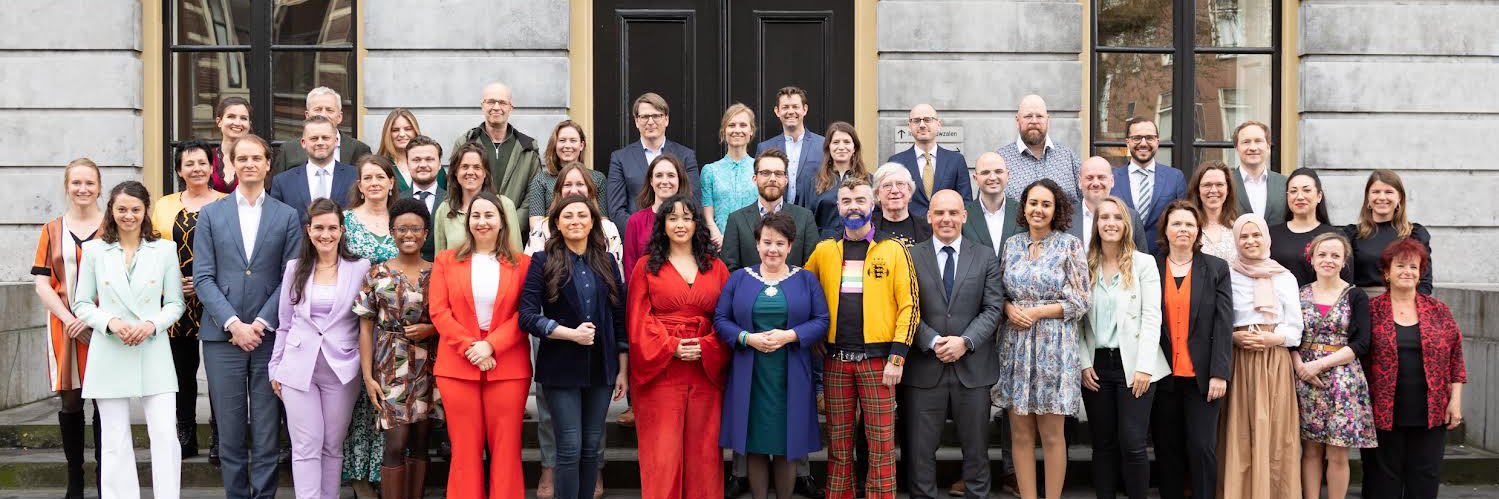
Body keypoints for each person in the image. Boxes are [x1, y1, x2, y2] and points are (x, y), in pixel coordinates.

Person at [193, 134, 302, 499]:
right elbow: (203, 277)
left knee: (268, 429)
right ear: (233, 165)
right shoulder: (211, 214)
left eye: (257, 157)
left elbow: (291, 276)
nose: (250, 163)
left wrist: (258, 323)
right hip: (221, 337)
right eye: (243, 158)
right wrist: (233, 324)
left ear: (269, 164)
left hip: (268, 336)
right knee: (230, 427)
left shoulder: (287, 216)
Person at [803, 176, 918, 499]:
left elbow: (910, 305)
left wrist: (897, 357)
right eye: (847, 202)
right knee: (838, 443)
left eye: (860, 201)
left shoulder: (892, 250)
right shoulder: (824, 252)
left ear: (873, 205)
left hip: (880, 363)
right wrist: (814, 332)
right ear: (838, 207)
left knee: (881, 444)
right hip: (836, 362)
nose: (854, 207)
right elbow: (802, 293)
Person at [72, 180, 186, 499]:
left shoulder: (164, 249)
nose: (129, 215)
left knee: (165, 434)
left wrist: (151, 324)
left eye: (135, 209)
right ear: (111, 209)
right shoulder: (93, 250)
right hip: (110, 349)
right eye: (122, 209)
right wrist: (111, 322)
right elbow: (82, 303)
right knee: (114, 439)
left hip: (153, 348)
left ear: (145, 211)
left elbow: (176, 303)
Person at [520, 195, 630, 499]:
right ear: (557, 223)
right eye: (568, 216)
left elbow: (619, 318)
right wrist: (568, 333)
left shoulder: (607, 261)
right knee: (568, 446)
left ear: (593, 221)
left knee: (591, 446)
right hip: (560, 366)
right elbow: (527, 316)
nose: (576, 221)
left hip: (602, 366)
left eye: (583, 215)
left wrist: (623, 369)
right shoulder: (542, 261)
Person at [716, 212, 830, 499]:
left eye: (780, 243)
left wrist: (790, 335)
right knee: (754, 442)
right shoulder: (739, 279)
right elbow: (720, 319)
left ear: (790, 246)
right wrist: (747, 338)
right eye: (767, 242)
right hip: (750, 373)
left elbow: (822, 320)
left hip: (790, 372)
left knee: (787, 444)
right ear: (757, 244)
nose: (773, 249)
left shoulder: (806, 279)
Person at [429, 191, 533, 498]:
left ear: (503, 222)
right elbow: (439, 310)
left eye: (490, 215)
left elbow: (524, 313)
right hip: (457, 367)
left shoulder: (523, 264)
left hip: (508, 366)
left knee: (506, 449)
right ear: (467, 221)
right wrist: (471, 347)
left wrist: (492, 346)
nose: (482, 222)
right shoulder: (445, 260)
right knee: (463, 450)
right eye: (476, 215)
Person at [626, 195, 731, 499]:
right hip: (661, 369)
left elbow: (726, 317)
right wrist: (671, 346)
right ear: (663, 225)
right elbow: (637, 318)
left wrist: (708, 346)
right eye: (672, 218)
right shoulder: (646, 266)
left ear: (697, 223)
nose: (680, 224)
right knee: (663, 454)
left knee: (705, 454)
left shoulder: (716, 267)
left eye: (686, 218)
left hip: (705, 368)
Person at [267, 198, 371, 499]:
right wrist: (276, 366)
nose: (326, 235)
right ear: (308, 231)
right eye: (319, 228)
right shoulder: (295, 268)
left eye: (332, 228)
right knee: (305, 445)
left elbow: (367, 321)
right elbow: (284, 322)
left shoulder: (360, 268)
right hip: (298, 368)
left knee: (331, 445)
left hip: (342, 368)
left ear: (341, 231)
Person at [904, 190, 1004, 499]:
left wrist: (966, 341)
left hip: (972, 368)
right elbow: (905, 306)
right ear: (929, 217)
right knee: (920, 453)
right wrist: (932, 340)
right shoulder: (910, 255)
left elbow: (993, 308)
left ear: (964, 216)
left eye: (953, 212)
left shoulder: (985, 255)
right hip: (924, 368)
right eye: (939, 213)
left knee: (976, 451)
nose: (946, 219)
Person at [997, 179, 1090, 499]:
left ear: (1056, 210)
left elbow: (1081, 301)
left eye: (1045, 204)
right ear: (1023, 207)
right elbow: (999, 294)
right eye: (1033, 203)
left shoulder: (1070, 245)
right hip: (1017, 347)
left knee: (1051, 434)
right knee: (1020, 433)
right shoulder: (1011, 245)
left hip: (1054, 346)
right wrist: (1009, 309)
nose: (1038, 209)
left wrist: (1038, 313)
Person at [1078, 196, 1170, 499]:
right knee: (1103, 443)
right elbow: (1076, 320)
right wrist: (1082, 362)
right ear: (1096, 224)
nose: (1111, 223)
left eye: (1117, 218)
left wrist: (1144, 367)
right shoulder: (1084, 263)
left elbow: (1152, 316)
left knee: (1132, 442)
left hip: (1136, 365)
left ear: (1126, 224)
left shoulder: (1144, 263)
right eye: (1104, 218)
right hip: (1097, 365)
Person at [1361, 238, 1466, 499]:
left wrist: (1455, 402)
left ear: (1420, 274)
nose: (1407, 272)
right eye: (1400, 266)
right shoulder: (1370, 310)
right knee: (1382, 481)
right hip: (1381, 411)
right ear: (1386, 272)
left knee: (1424, 479)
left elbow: (1456, 358)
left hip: (1431, 411)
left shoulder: (1439, 310)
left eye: (1413, 267)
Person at [354, 198, 441, 499]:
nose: (409, 234)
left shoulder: (438, 272)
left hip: (430, 366)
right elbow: (365, 326)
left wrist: (432, 328)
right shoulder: (376, 274)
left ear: (426, 234)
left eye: (415, 228)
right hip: (390, 365)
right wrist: (368, 375)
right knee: (395, 443)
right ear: (392, 232)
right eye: (402, 228)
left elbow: (452, 317)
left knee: (420, 443)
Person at [34, 158, 107, 499]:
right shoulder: (51, 229)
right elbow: (42, 283)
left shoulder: (113, 225)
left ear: (99, 187)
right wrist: (69, 318)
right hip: (66, 328)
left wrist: (98, 318)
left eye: (89, 183)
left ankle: (105, 475)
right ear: (67, 186)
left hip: (105, 327)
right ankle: (75, 478)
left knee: (107, 402)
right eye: (76, 183)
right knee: (71, 402)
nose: (83, 189)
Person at [1150, 200, 1233, 499]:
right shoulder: (1150, 266)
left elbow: (1224, 323)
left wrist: (1220, 373)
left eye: (1189, 224)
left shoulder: (1216, 268)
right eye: (1177, 224)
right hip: (1162, 377)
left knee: (1201, 448)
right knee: (1167, 451)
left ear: (1198, 230)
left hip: (1203, 378)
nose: (1183, 229)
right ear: (1166, 229)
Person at [1220, 213, 1304, 498]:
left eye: (1256, 235)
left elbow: (1296, 328)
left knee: (1275, 433)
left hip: (1274, 362)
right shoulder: (1226, 274)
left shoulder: (1285, 277)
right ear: (1236, 241)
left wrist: (1272, 338)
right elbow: (1218, 321)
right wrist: (1234, 337)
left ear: (1267, 238)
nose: (1250, 240)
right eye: (1244, 236)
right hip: (1238, 360)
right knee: (1239, 431)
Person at [151, 141, 227, 459]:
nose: (196, 168)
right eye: (189, 164)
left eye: (202, 162)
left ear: (212, 167)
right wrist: (170, 285)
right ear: (179, 170)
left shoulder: (228, 203)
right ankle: (185, 434)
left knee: (219, 373)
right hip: (175, 300)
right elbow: (152, 252)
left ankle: (221, 436)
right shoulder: (164, 206)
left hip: (217, 299)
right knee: (182, 372)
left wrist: (206, 283)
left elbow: (235, 252)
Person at [1293, 232, 1375, 499]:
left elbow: (1362, 342)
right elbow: (1291, 337)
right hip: (1304, 379)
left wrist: (1319, 365)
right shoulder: (1299, 293)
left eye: (1335, 255)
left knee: (1338, 451)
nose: (1328, 260)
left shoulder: (1355, 295)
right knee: (1311, 449)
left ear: (1344, 261)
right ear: (1312, 259)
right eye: (1323, 254)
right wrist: (1300, 367)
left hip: (1343, 379)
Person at [339, 155, 400, 494]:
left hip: (395, 329)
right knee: (361, 400)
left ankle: (386, 475)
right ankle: (360, 478)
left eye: (381, 176)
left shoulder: (402, 219)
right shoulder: (345, 221)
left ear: (392, 182)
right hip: (355, 322)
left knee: (390, 402)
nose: (375, 182)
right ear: (359, 185)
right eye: (368, 177)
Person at [451, 81, 544, 225]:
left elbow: (533, 195)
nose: (496, 107)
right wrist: (472, 221)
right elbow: (453, 185)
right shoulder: (465, 142)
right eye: (491, 102)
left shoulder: (528, 148)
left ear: (511, 108)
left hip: (516, 232)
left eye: (502, 102)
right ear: (482, 105)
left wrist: (509, 225)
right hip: (474, 228)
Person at [606, 92, 701, 227]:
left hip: (677, 237)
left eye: (656, 116)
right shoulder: (620, 158)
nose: (650, 122)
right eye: (644, 116)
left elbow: (694, 202)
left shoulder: (685, 156)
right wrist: (641, 233)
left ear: (666, 120)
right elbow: (616, 210)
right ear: (636, 121)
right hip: (638, 239)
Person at [720, 149, 820, 271]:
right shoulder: (736, 220)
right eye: (765, 173)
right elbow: (729, 268)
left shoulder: (805, 218)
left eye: (778, 173)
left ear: (786, 179)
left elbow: (812, 266)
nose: (772, 178)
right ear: (754, 178)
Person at [1347, 169, 1432, 295]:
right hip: (1363, 304)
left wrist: (1412, 308)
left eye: (1389, 192)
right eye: (1376, 192)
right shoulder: (1352, 235)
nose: (1382, 197)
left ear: (1399, 197)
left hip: (1405, 304)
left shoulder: (1415, 234)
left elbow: (1424, 282)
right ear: (1368, 197)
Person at [1110, 117, 1186, 254]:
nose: (1143, 143)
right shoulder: (1112, 178)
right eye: (1137, 138)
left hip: (1163, 259)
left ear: (1157, 141)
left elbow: (1183, 219)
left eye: (1149, 138)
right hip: (1119, 257)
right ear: (1128, 142)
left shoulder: (1175, 178)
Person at [433, 142, 523, 252]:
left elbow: (516, 254)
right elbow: (440, 258)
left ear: (485, 173)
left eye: (477, 167)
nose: (470, 172)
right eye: (464, 167)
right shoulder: (444, 209)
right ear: (456, 172)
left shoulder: (505, 205)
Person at [886, 104, 972, 217]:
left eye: (927, 120)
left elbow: (966, 202)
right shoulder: (896, 162)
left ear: (938, 124)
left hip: (946, 229)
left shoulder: (956, 161)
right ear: (909, 126)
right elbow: (889, 202)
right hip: (909, 231)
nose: (922, 125)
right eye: (916, 121)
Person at [269, 116, 358, 219]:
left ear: (336, 141)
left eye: (325, 138)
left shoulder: (355, 177)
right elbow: (277, 221)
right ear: (303, 143)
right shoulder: (282, 182)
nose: (320, 142)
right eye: (314, 138)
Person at [997, 95, 1081, 203]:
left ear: (1048, 120)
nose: (1034, 121)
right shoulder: (1001, 160)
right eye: (1028, 116)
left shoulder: (1068, 157)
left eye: (1039, 116)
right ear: (1017, 121)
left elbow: (1085, 204)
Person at [1268, 168, 1346, 285]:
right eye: (1293, 191)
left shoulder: (1335, 236)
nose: (1299, 196)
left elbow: (1345, 284)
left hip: (1323, 302)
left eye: (1307, 190)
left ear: (1319, 196)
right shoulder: (1270, 234)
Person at [272, 86, 373, 174]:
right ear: (307, 115)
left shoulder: (359, 150)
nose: (323, 115)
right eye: (318, 109)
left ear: (340, 116)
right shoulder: (289, 150)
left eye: (329, 110)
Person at [622, 154, 691, 278]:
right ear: (651, 181)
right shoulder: (636, 221)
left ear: (679, 180)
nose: (665, 181)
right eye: (659, 175)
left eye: (671, 175)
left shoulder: (692, 219)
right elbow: (630, 269)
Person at [700, 103, 760, 244]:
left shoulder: (761, 168)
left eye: (743, 125)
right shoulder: (710, 171)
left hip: (754, 244)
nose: (737, 130)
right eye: (732, 125)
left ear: (751, 131)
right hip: (719, 243)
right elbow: (708, 216)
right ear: (724, 131)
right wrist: (719, 239)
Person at [527, 120, 606, 226]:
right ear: (555, 144)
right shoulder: (541, 180)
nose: (567, 145)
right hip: (550, 238)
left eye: (573, 140)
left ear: (582, 145)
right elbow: (536, 224)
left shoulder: (597, 178)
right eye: (562, 140)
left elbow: (603, 222)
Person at [755, 86, 825, 206]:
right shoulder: (764, 148)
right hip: (775, 217)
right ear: (777, 111)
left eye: (795, 107)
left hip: (813, 218)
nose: (791, 111)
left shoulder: (822, 145)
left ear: (805, 109)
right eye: (785, 107)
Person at [803, 122, 870, 238]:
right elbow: (806, 221)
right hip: (824, 245)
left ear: (854, 148)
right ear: (828, 147)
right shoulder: (814, 182)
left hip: (860, 245)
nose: (841, 147)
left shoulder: (868, 180)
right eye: (835, 142)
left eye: (847, 142)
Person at [1074, 157, 1150, 251]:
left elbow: (1143, 260)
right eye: (1089, 178)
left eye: (1101, 177)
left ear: (1112, 181)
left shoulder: (1132, 218)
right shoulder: (1065, 217)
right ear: (1079, 182)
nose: (1096, 183)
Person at [962, 152, 1021, 256]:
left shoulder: (1022, 212)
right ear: (976, 178)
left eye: (998, 171)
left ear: (1007, 175)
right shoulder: (963, 215)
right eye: (985, 173)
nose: (993, 177)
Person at [1231, 121, 1288, 225]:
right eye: (1246, 142)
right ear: (1236, 148)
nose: (1253, 148)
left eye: (1258, 141)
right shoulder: (1226, 183)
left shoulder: (1285, 184)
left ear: (1268, 146)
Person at [400, 135, 447, 260]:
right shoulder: (396, 201)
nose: (423, 164)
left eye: (429, 159)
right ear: (407, 164)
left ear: (439, 164)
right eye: (416, 160)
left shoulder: (453, 201)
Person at [377, 108, 444, 194]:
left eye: (407, 129)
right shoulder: (380, 166)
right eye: (395, 130)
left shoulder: (433, 165)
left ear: (415, 131)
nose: (401, 134)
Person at [1187, 160, 1240, 260]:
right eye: (1207, 185)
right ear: (1197, 190)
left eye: (1219, 184)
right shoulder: (1188, 227)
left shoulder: (1238, 228)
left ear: (1228, 189)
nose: (1214, 190)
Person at [871, 163, 932, 245]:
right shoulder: (868, 227)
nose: (895, 190)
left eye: (900, 184)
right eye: (887, 185)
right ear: (877, 194)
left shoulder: (928, 228)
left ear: (909, 191)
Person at [209, 96, 252, 193]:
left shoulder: (256, 159)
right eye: (231, 117)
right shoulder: (207, 158)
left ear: (249, 124)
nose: (237, 123)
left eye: (243, 118)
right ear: (219, 122)